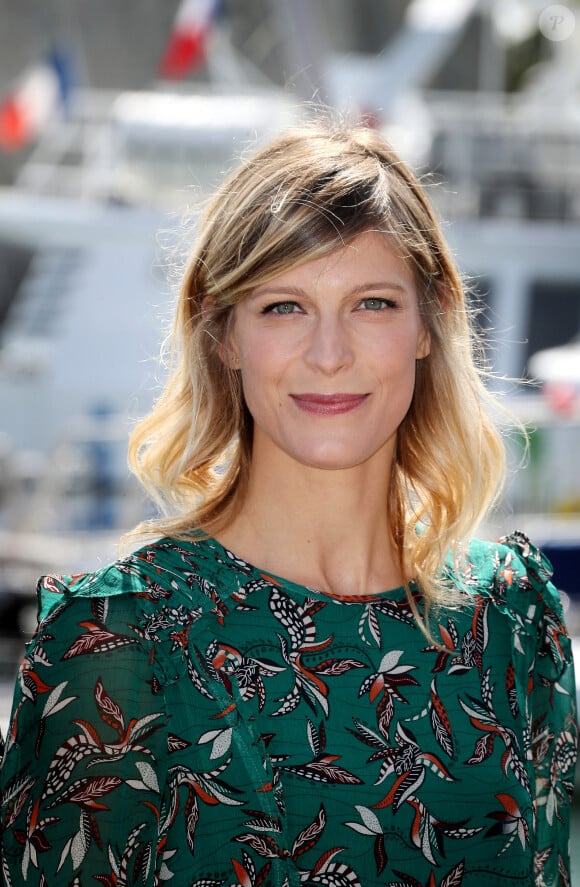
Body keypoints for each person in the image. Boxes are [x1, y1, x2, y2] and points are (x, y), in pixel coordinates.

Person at [0, 120, 577, 887]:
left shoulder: (512, 616)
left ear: (429, 321)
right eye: (283, 306)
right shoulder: (120, 636)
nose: (329, 353)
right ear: (223, 333)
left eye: (372, 303)